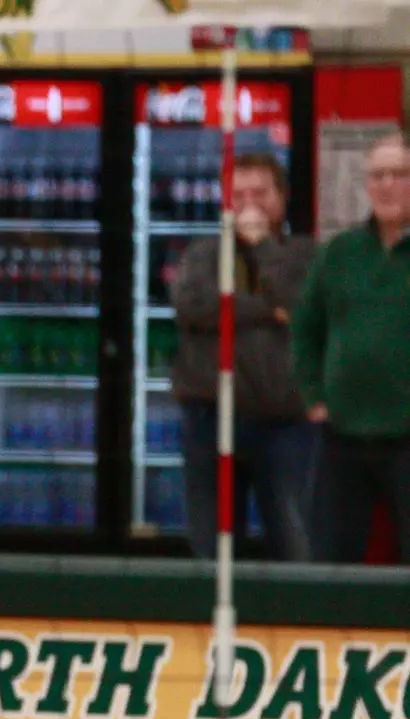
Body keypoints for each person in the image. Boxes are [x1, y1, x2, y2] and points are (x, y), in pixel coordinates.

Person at [169, 152, 317, 560]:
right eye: (240, 194)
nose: (250, 203)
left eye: (261, 193)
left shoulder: (303, 254)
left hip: (286, 425)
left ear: (281, 199)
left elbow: (300, 303)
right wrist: (268, 310)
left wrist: (264, 248)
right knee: (211, 551)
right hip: (210, 420)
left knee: (296, 544)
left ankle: (297, 623)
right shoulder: (204, 254)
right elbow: (194, 307)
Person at [294, 133, 410, 562]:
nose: (386, 185)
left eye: (398, 174)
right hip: (341, 434)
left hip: (406, 438)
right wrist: (313, 397)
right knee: (330, 561)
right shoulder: (340, 252)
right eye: (378, 175)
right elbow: (304, 330)